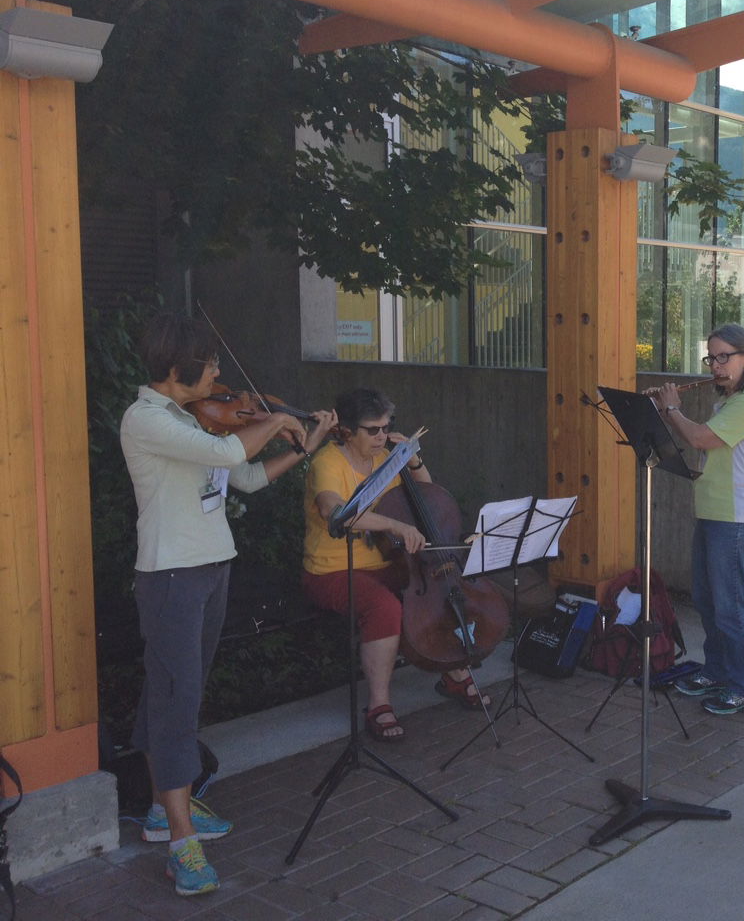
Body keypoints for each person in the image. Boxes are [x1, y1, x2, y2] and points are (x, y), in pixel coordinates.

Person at [122, 312, 335, 896]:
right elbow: (226, 457)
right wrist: (278, 419)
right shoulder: (147, 419)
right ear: (175, 369)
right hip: (171, 577)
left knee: (173, 692)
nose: (219, 375)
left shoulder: (195, 421)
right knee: (175, 699)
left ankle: (165, 809)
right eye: (209, 363)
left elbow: (244, 479)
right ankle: (180, 846)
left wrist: (304, 444)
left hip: (211, 569)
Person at [301, 387, 490, 745]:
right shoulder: (327, 462)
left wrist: (412, 460)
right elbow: (333, 511)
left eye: (386, 428)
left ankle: (454, 671)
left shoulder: (387, 457)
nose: (382, 436)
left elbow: (429, 498)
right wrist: (393, 525)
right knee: (384, 606)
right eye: (373, 430)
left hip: (384, 560)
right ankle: (378, 704)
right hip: (332, 570)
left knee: (436, 587)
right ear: (346, 430)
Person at [649, 323, 744, 716]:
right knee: (707, 600)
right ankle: (718, 671)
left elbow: (699, 438)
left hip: (736, 519)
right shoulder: (728, 403)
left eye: (725, 357)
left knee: (730, 606)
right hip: (713, 513)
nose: (716, 366)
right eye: (712, 357)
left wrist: (670, 410)